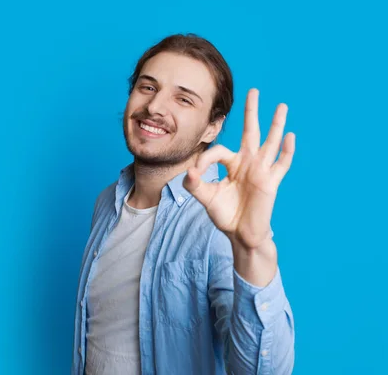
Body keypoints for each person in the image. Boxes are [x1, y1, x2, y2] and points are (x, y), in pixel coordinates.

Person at [72, 33, 296, 374]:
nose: (155, 107)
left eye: (184, 99)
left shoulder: (215, 226)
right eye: (148, 87)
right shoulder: (107, 203)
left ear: (211, 128)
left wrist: (253, 248)